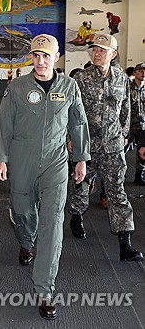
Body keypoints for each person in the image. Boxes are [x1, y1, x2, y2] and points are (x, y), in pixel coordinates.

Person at [0, 34, 91, 320]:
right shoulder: (18, 87)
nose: (40, 61)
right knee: (23, 213)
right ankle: (26, 242)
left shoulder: (69, 86)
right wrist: (1, 158)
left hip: (55, 162)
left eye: (46, 56)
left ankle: (45, 289)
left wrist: (81, 159)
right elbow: (4, 122)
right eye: (36, 56)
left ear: (56, 56)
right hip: (22, 158)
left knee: (53, 222)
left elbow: (79, 122)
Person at [68, 34, 143, 262]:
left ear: (113, 54)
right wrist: (71, 138)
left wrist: (122, 136)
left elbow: (125, 112)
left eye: (102, 50)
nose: (97, 53)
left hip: (112, 148)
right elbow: (71, 111)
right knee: (81, 186)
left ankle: (125, 244)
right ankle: (76, 216)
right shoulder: (81, 78)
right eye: (94, 50)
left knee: (117, 192)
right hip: (86, 146)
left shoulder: (122, 79)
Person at [131, 63, 145, 185]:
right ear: (135, 72)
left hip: (143, 127)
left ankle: (139, 174)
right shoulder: (127, 88)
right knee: (120, 152)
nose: (143, 74)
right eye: (140, 71)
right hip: (129, 126)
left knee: (142, 153)